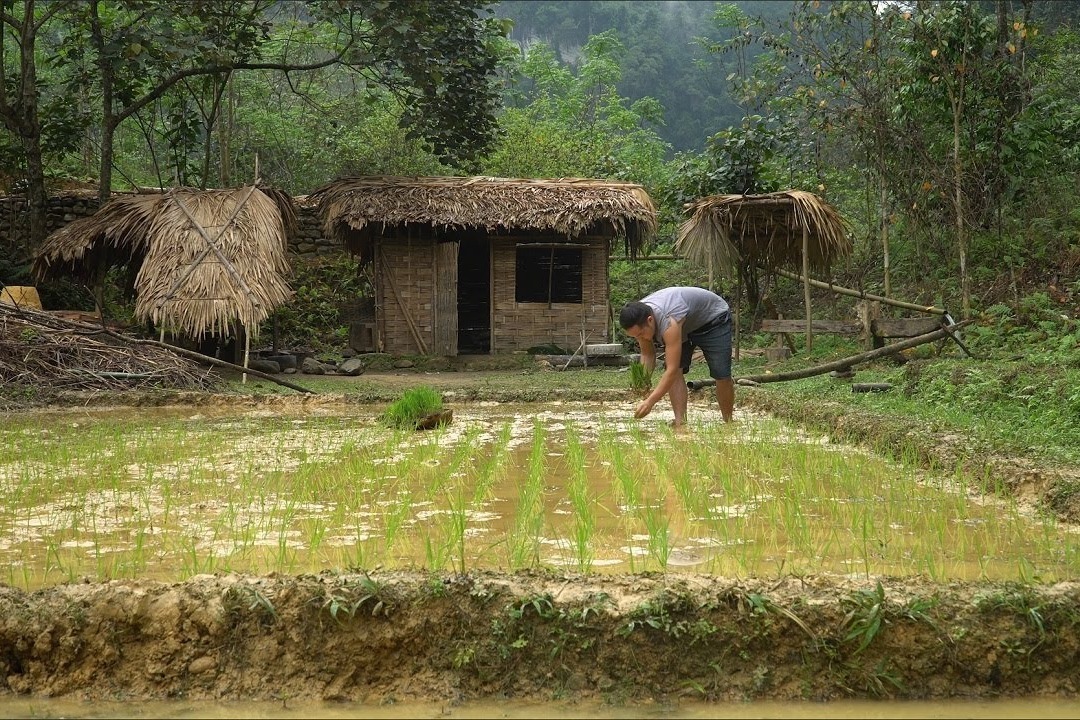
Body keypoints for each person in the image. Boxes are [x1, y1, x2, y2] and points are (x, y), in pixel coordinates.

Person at [619, 286, 734, 426]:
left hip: (712, 318)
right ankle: (680, 423)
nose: (640, 338)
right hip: (685, 323)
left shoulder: (668, 321)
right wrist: (643, 382)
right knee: (678, 370)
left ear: (650, 320)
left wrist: (650, 402)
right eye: (635, 336)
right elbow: (648, 355)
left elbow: (671, 371)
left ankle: (728, 422)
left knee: (721, 373)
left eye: (641, 334)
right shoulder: (638, 318)